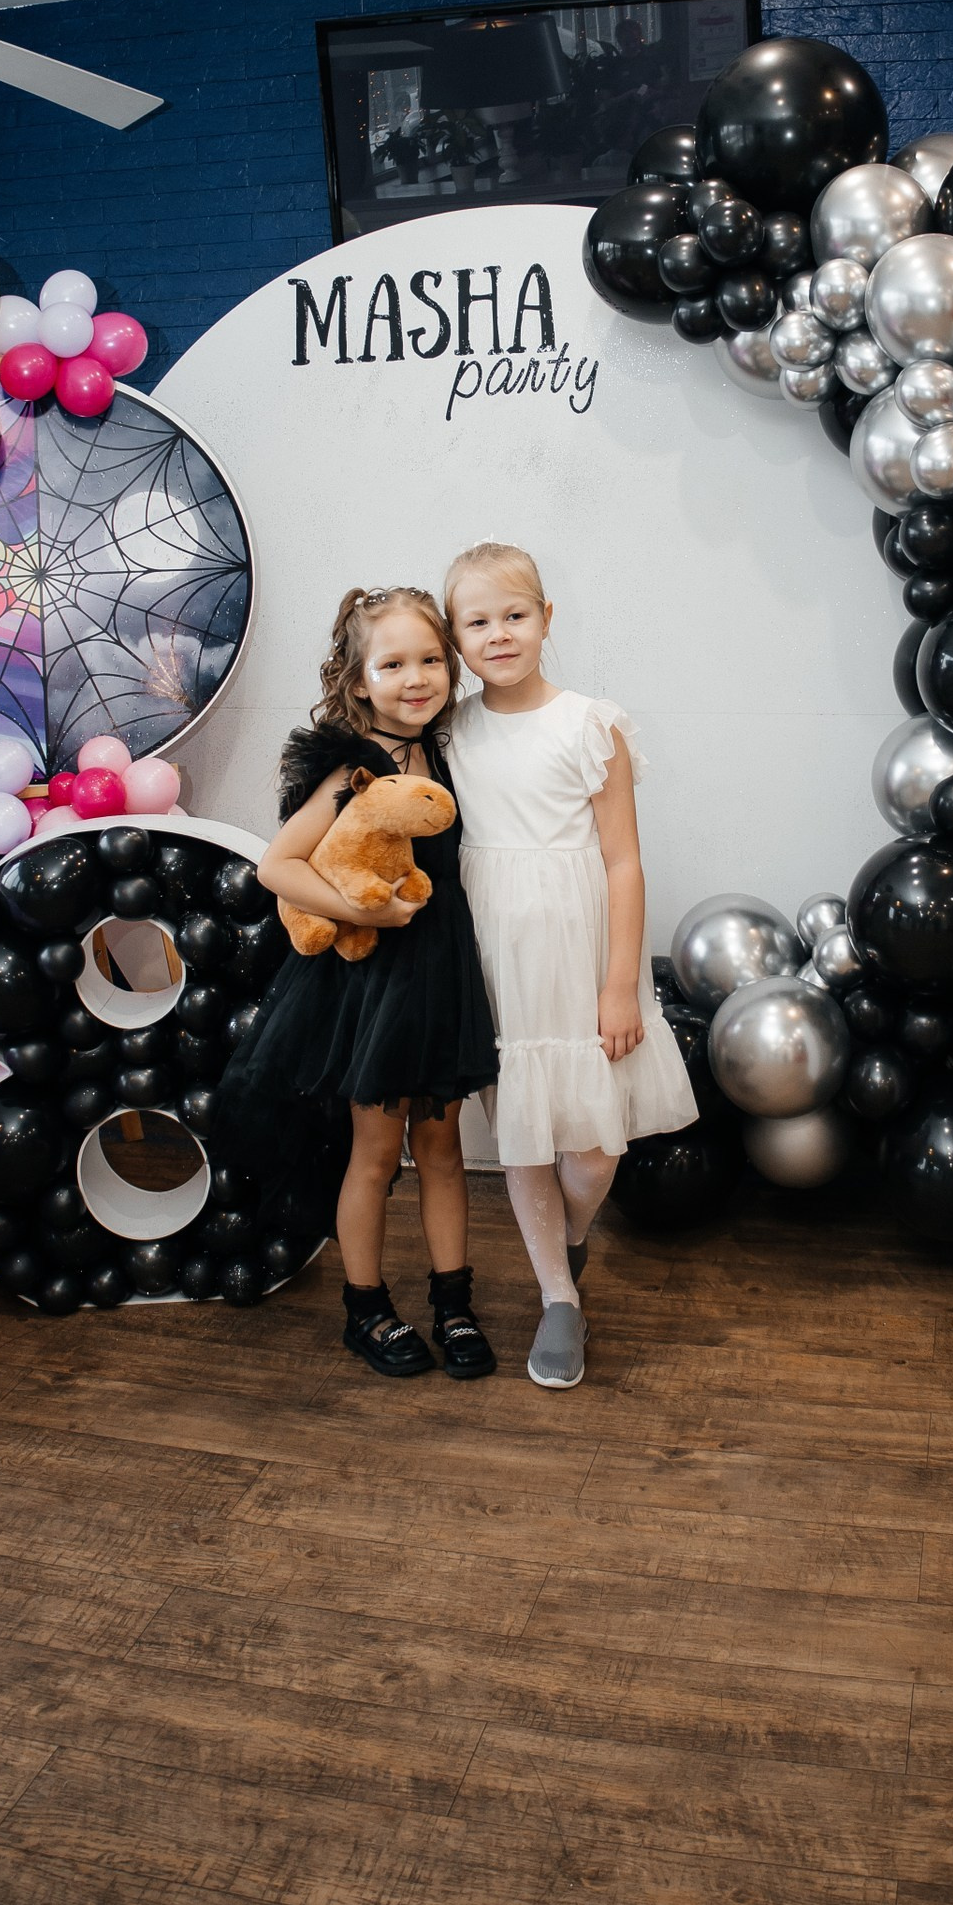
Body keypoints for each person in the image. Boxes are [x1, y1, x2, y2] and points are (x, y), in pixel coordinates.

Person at [215, 586, 498, 1379]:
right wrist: (362, 910)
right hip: (374, 988)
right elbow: (279, 865)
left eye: (430, 660)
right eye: (393, 664)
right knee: (375, 1152)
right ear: (358, 681)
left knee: (442, 1148)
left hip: (440, 978)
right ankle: (366, 1308)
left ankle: (453, 1302)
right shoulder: (353, 768)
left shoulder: (448, 754)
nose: (416, 678)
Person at [442, 542, 695, 1389]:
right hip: (496, 962)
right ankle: (558, 1297)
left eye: (515, 615)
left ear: (546, 620)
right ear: (455, 638)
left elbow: (623, 861)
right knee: (523, 1138)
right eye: (477, 622)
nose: (498, 634)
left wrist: (619, 984)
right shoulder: (451, 730)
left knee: (588, 1153)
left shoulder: (590, 725)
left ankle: (572, 1238)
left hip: (580, 957)